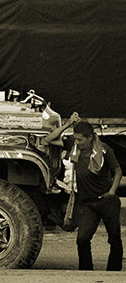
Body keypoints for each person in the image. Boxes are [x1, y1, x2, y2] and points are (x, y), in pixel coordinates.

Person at [45, 112, 122, 271]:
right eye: (76, 138)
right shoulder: (74, 146)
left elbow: (118, 171)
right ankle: (86, 272)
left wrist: (112, 192)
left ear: (90, 138)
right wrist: (67, 125)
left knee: (114, 238)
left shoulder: (105, 150)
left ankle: (113, 272)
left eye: (80, 139)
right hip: (87, 204)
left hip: (107, 201)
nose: (77, 142)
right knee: (82, 239)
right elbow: (49, 139)